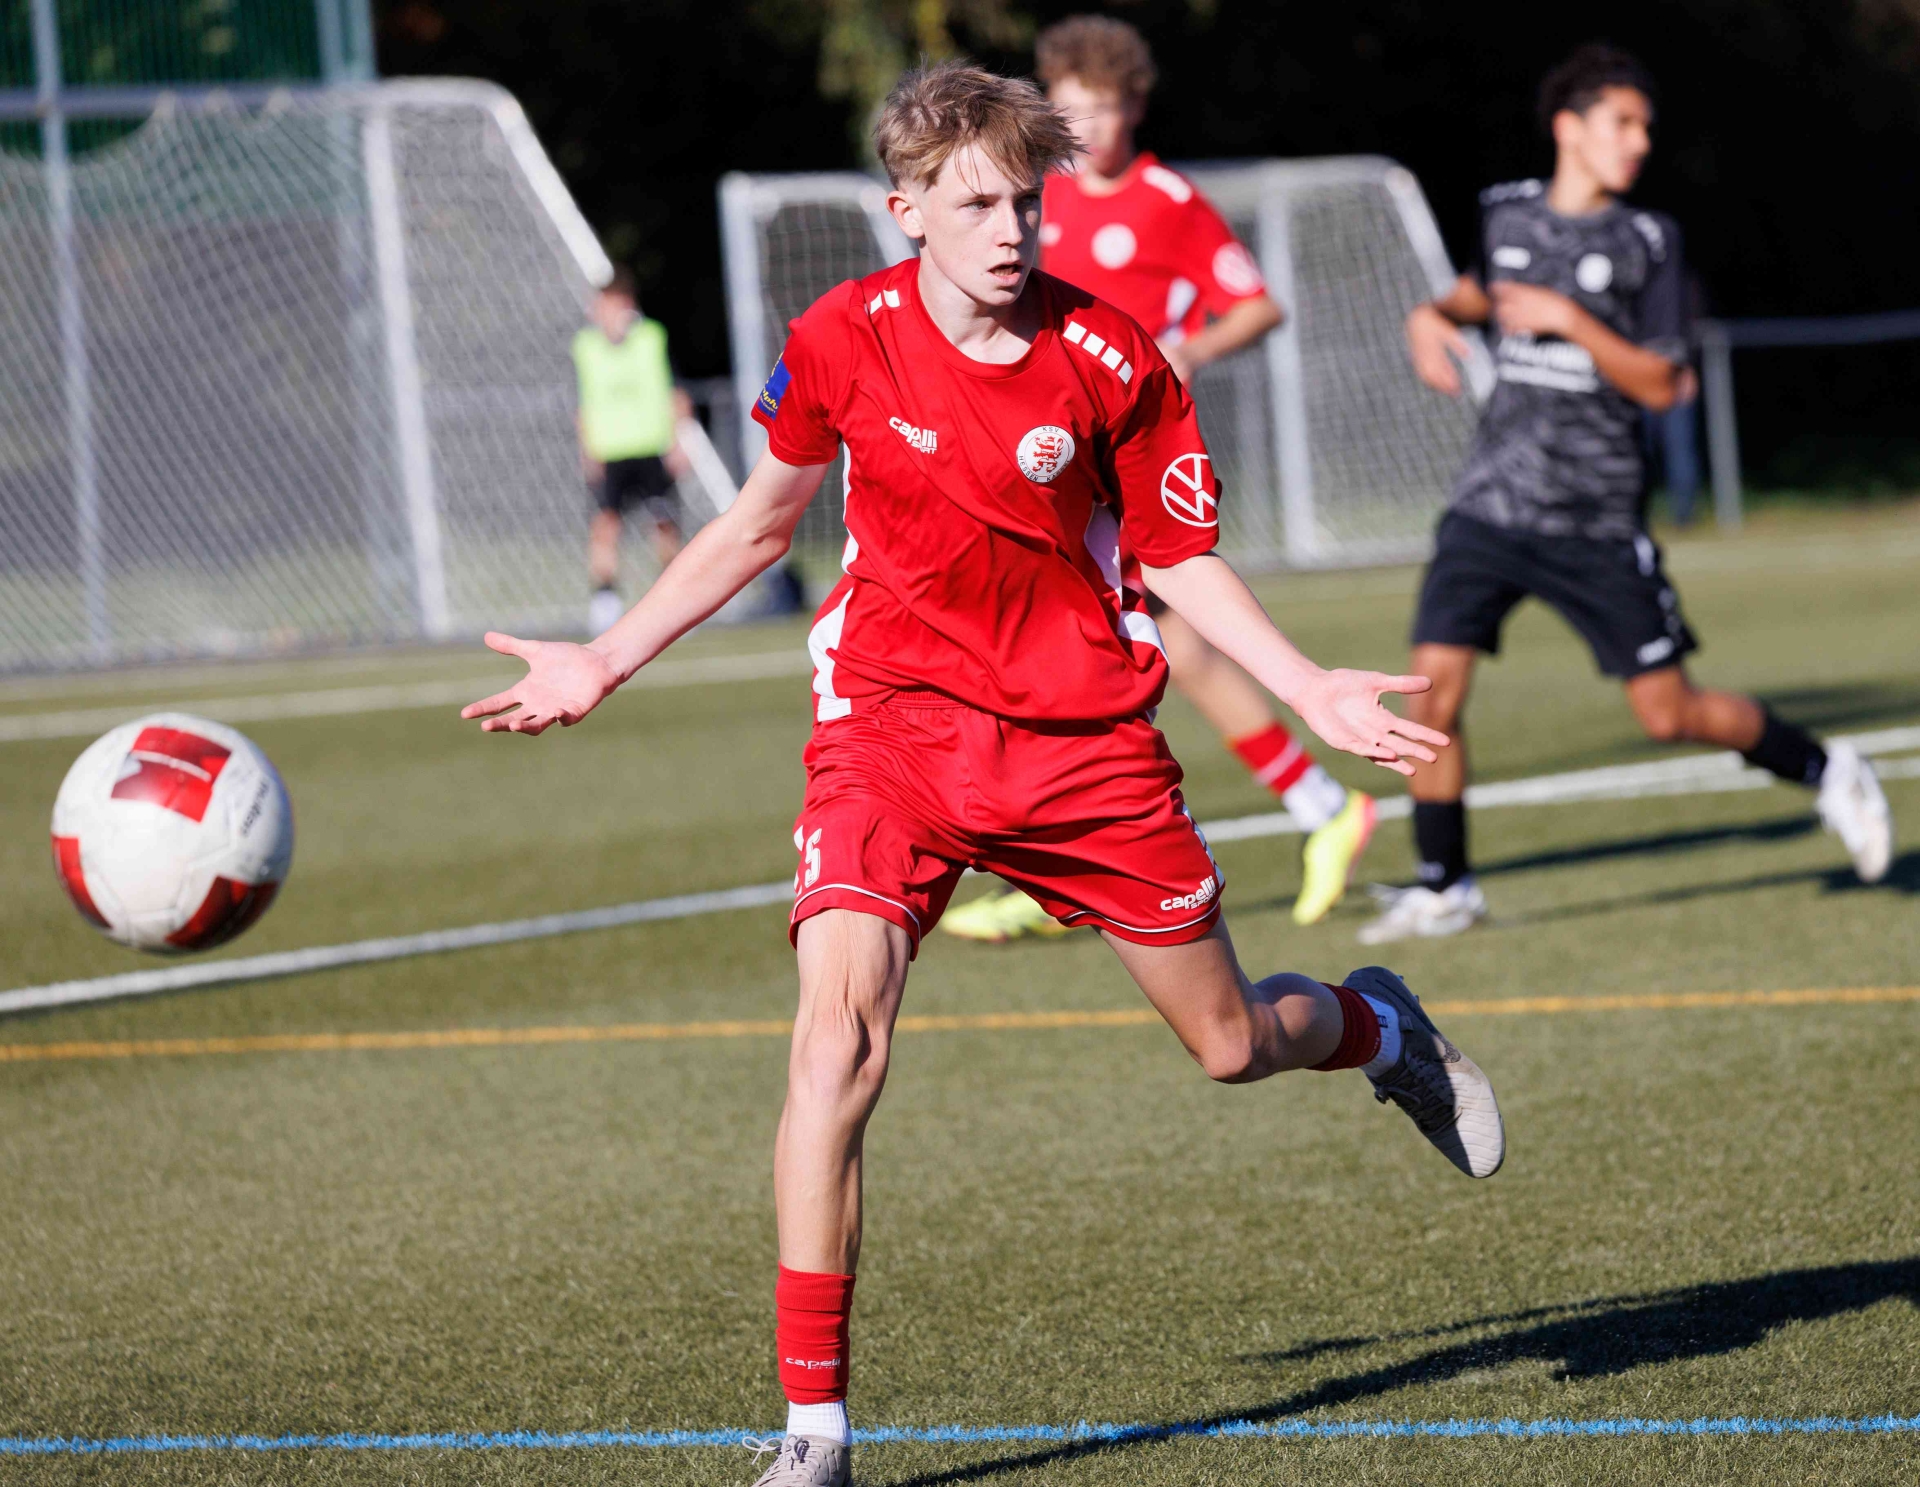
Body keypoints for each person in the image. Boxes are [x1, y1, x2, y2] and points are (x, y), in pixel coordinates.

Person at [462, 64, 1505, 1487]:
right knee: (834, 1048)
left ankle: (1381, 1030)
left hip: (1082, 748)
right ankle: (816, 1433)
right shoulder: (840, 338)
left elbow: (1178, 558)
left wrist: (1308, 681)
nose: (1010, 231)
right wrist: (603, 655)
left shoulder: (1112, 357)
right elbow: (760, 523)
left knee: (1228, 1043)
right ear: (905, 211)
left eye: (1025, 202)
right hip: (889, 730)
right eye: (974, 206)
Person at [1371, 43, 1893, 944]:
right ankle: (1445, 885)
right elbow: (1481, 293)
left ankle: (1826, 767)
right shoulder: (1504, 210)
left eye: (1645, 126)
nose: (1640, 141)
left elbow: (1663, 384)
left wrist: (1573, 321)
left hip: (1595, 518)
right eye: (1623, 122)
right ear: (1569, 128)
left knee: (1667, 712)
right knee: (1432, 695)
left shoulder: (1647, 241)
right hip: (1489, 506)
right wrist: (1430, 315)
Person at [942, 16, 1373, 945]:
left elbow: (1256, 304)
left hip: (1124, 455)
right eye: (1070, 108)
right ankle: (1314, 807)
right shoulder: (1035, 194)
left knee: (1076, 647)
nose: (1087, 126)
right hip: (1047, 454)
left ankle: (1070, 864)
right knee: (1160, 649)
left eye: (1103, 107)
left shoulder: (1166, 199)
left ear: (1135, 106)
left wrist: (1189, 346)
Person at [572, 267, 690, 636]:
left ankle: (675, 603)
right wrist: (586, 450)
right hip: (609, 452)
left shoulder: (652, 338)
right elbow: (582, 403)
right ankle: (605, 601)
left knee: (664, 524)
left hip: (651, 447)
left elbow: (675, 392)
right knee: (605, 526)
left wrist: (680, 441)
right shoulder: (585, 347)